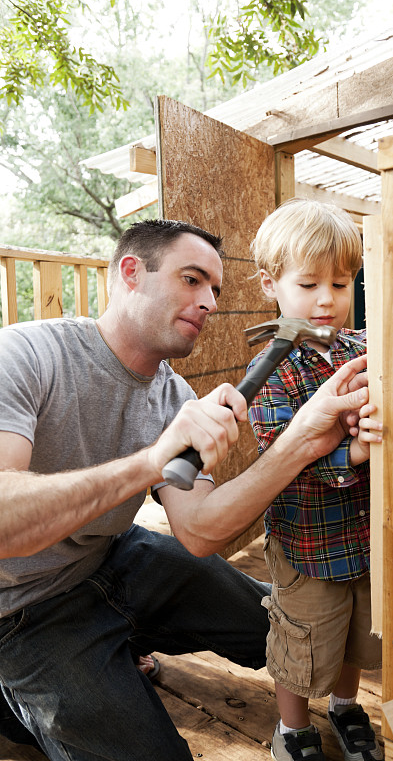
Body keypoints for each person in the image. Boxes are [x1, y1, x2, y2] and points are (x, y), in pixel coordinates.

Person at [0, 218, 373, 761]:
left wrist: (302, 440)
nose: (210, 302)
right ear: (132, 273)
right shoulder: (25, 356)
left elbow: (200, 533)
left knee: (278, 631)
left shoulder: (176, 396)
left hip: (110, 559)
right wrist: (153, 461)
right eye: (192, 279)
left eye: (216, 290)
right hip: (19, 608)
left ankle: (118, 641)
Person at [247, 199, 383, 761]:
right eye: (308, 284)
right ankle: (294, 728)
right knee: (299, 645)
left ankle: (346, 707)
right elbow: (282, 457)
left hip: (368, 537)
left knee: (356, 633)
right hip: (307, 545)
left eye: (341, 282)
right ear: (270, 285)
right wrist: (353, 449)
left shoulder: (366, 350)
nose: (327, 299)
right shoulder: (271, 370)